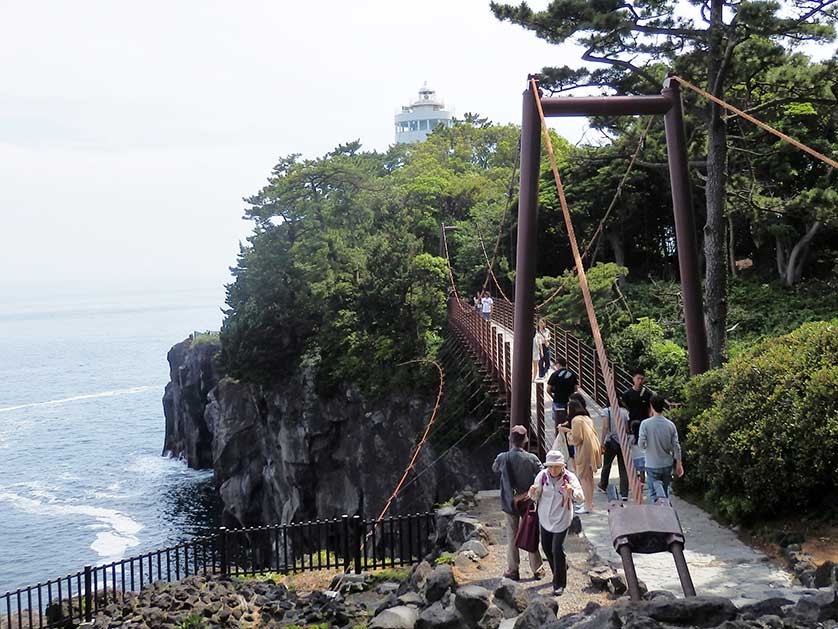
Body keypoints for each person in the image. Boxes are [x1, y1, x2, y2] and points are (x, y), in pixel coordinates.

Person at [528, 450, 584, 596]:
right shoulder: (542, 476)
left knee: (557, 549)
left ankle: (559, 583)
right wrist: (533, 492)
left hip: (562, 517)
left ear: (562, 466)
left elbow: (581, 498)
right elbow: (535, 495)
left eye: (556, 466)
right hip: (545, 517)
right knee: (546, 548)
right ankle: (559, 570)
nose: (553, 470)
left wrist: (571, 491)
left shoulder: (569, 478)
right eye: (550, 466)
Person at [492, 425, 545, 581]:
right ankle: (537, 569)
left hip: (509, 504)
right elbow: (542, 475)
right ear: (525, 440)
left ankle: (513, 570)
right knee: (531, 534)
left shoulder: (502, 457)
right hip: (527, 502)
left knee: (512, 537)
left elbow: (495, 468)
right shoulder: (532, 458)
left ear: (510, 439)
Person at [557, 399, 601, 513]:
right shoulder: (586, 418)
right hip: (592, 448)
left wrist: (566, 431)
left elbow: (577, 438)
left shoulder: (576, 420)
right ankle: (589, 503)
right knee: (589, 478)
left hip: (584, 450)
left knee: (584, 478)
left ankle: (587, 506)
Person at [638, 394, 684, 503]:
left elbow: (641, 444)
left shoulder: (645, 424)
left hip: (652, 463)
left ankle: (656, 516)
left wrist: (646, 447)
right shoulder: (670, 425)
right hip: (667, 464)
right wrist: (679, 463)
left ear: (651, 406)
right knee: (665, 492)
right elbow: (676, 446)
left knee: (653, 494)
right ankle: (666, 512)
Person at [547, 357, 579, 466]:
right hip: (569, 402)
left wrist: (553, 396)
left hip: (558, 401)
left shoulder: (555, 374)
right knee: (569, 420)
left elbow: (548, 389)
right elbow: (576, 388)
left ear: (558, 364)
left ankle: (560, 436)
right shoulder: (572, 374)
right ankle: (569, 437)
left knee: (557, 421)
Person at [598, 403, 629, 500]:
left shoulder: (606, 411)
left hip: (611, 441)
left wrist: (602, 442)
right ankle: (624, 492)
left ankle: (603, 485)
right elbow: (627, 429)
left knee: (607, 464)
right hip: (623, 442)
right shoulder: (625, 411)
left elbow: (605, 426)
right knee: (623, 467)